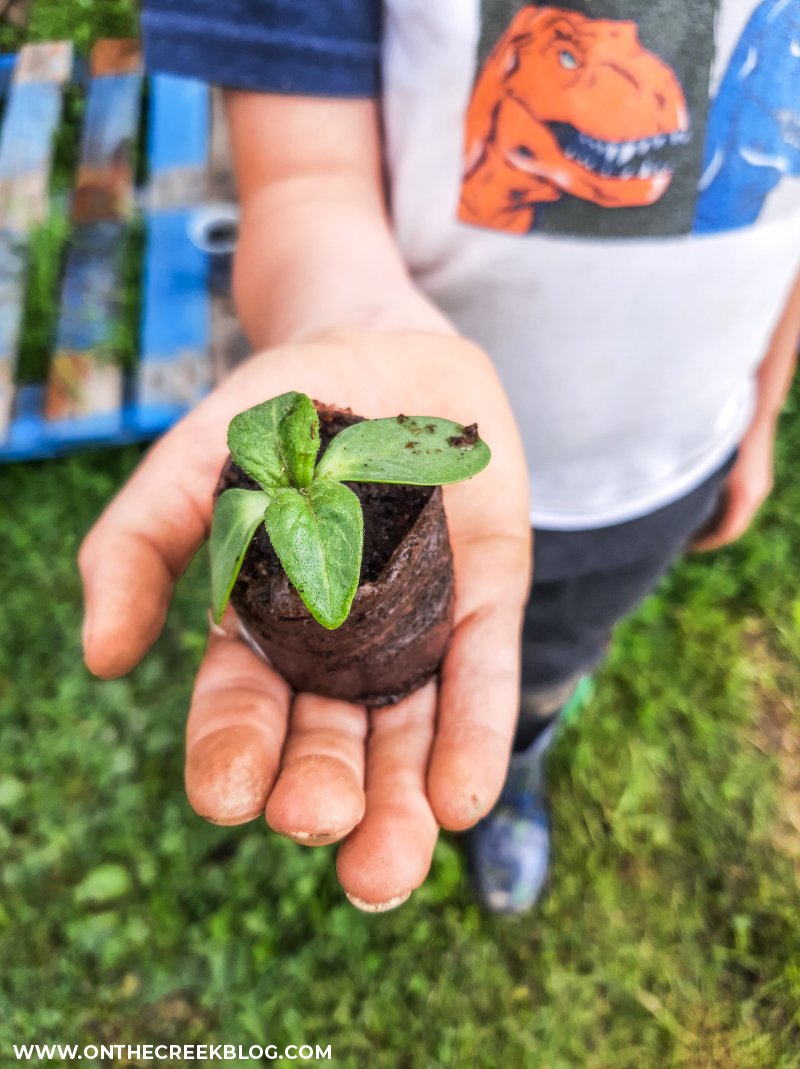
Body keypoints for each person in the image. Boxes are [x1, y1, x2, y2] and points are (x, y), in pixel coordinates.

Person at [81, 0, 800, 914]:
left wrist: (763, 407)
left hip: (667, 465)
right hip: (453, 471)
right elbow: (303, 181)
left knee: (557, 655)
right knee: (480, 660)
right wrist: (351, 319)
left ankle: (527, 745)